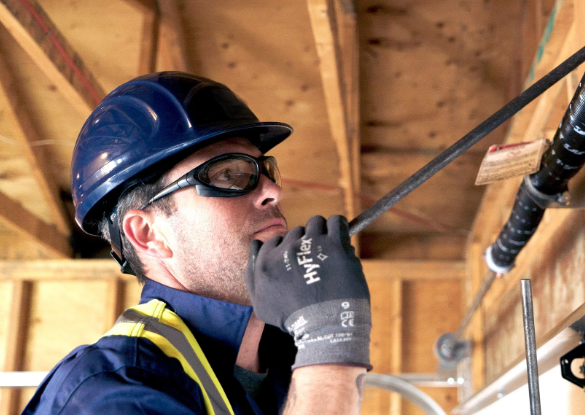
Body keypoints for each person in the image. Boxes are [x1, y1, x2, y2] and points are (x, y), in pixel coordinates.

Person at [22, 72, 372, 415]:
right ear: (148, 234)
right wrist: (331, 340)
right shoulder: (115, 393)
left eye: (265, 170)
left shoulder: (289, 358)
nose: (273, 191)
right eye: (227, 174)